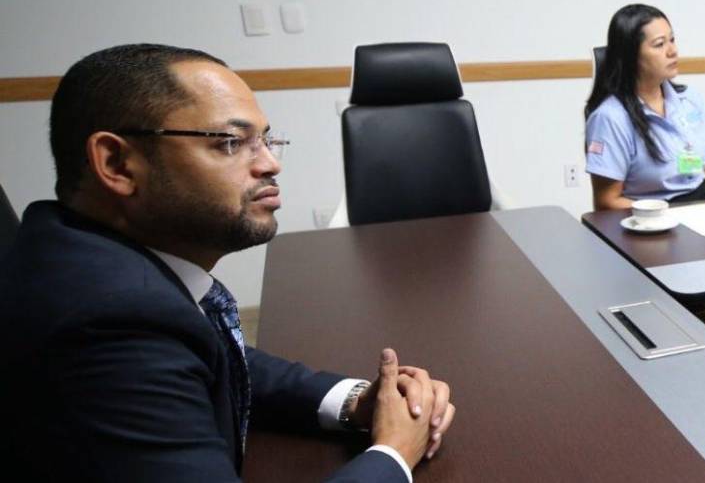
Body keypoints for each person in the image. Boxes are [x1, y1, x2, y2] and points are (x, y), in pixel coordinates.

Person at [0, 44, 455, 481]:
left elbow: (209, 351)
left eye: (267, 140)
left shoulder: (78, 252)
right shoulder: (110, 320)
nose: (271, 164)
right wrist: (394, 452)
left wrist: (354, 401)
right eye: (232, 143)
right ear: (117, 163)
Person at [584, 4, 705, 210]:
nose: (673, 51)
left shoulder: (689, 99)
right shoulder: (611, 117)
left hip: (701, 210)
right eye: (659, 44)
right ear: (631, 55)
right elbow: (607, 202)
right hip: (650, 218)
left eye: (672, 40)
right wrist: (669, 214)